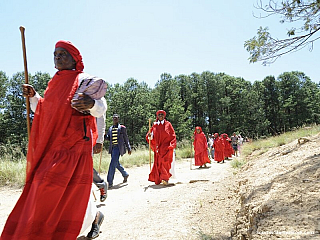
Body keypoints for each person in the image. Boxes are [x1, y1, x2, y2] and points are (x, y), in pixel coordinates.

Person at [1, 40, 107, 240]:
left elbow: (101, 108)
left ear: (74, 59)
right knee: (55, 189)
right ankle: (92, 218)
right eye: (55, 55)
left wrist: (91, 103)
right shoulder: (54, 82)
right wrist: (34, 97)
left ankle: (75, 225)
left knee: (64, 189)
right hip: (55, 145)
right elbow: (45, 110)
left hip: (75, 146)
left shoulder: (83, 79)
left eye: (63, 54)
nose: (57, 58)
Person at [146, 110, 177, 185]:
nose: (160, 116)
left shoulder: (168, 124)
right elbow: (150, 136)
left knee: (165, 163)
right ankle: (160, 178)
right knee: (159, 164)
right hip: (158, 148)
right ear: (157, 116)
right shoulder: (154, 125)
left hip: (166, 148)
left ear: (164, 116)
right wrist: (150, 136)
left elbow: (173, 135)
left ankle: (165, 178)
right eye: (159, 114)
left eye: (162, 114)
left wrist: (171, 145)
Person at [105, 114, 132, 188]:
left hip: (118, 148)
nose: (114, 119)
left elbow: (126, 138)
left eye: (116, 118)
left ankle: (109, 182)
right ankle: (125, 174)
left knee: (112, 164)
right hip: (112, 148)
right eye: (113, 118)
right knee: (115, 163)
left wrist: (129, 148)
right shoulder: (110, 128)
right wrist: (104, 135)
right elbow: (108, 138)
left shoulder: (122, 128)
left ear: (118, 119)